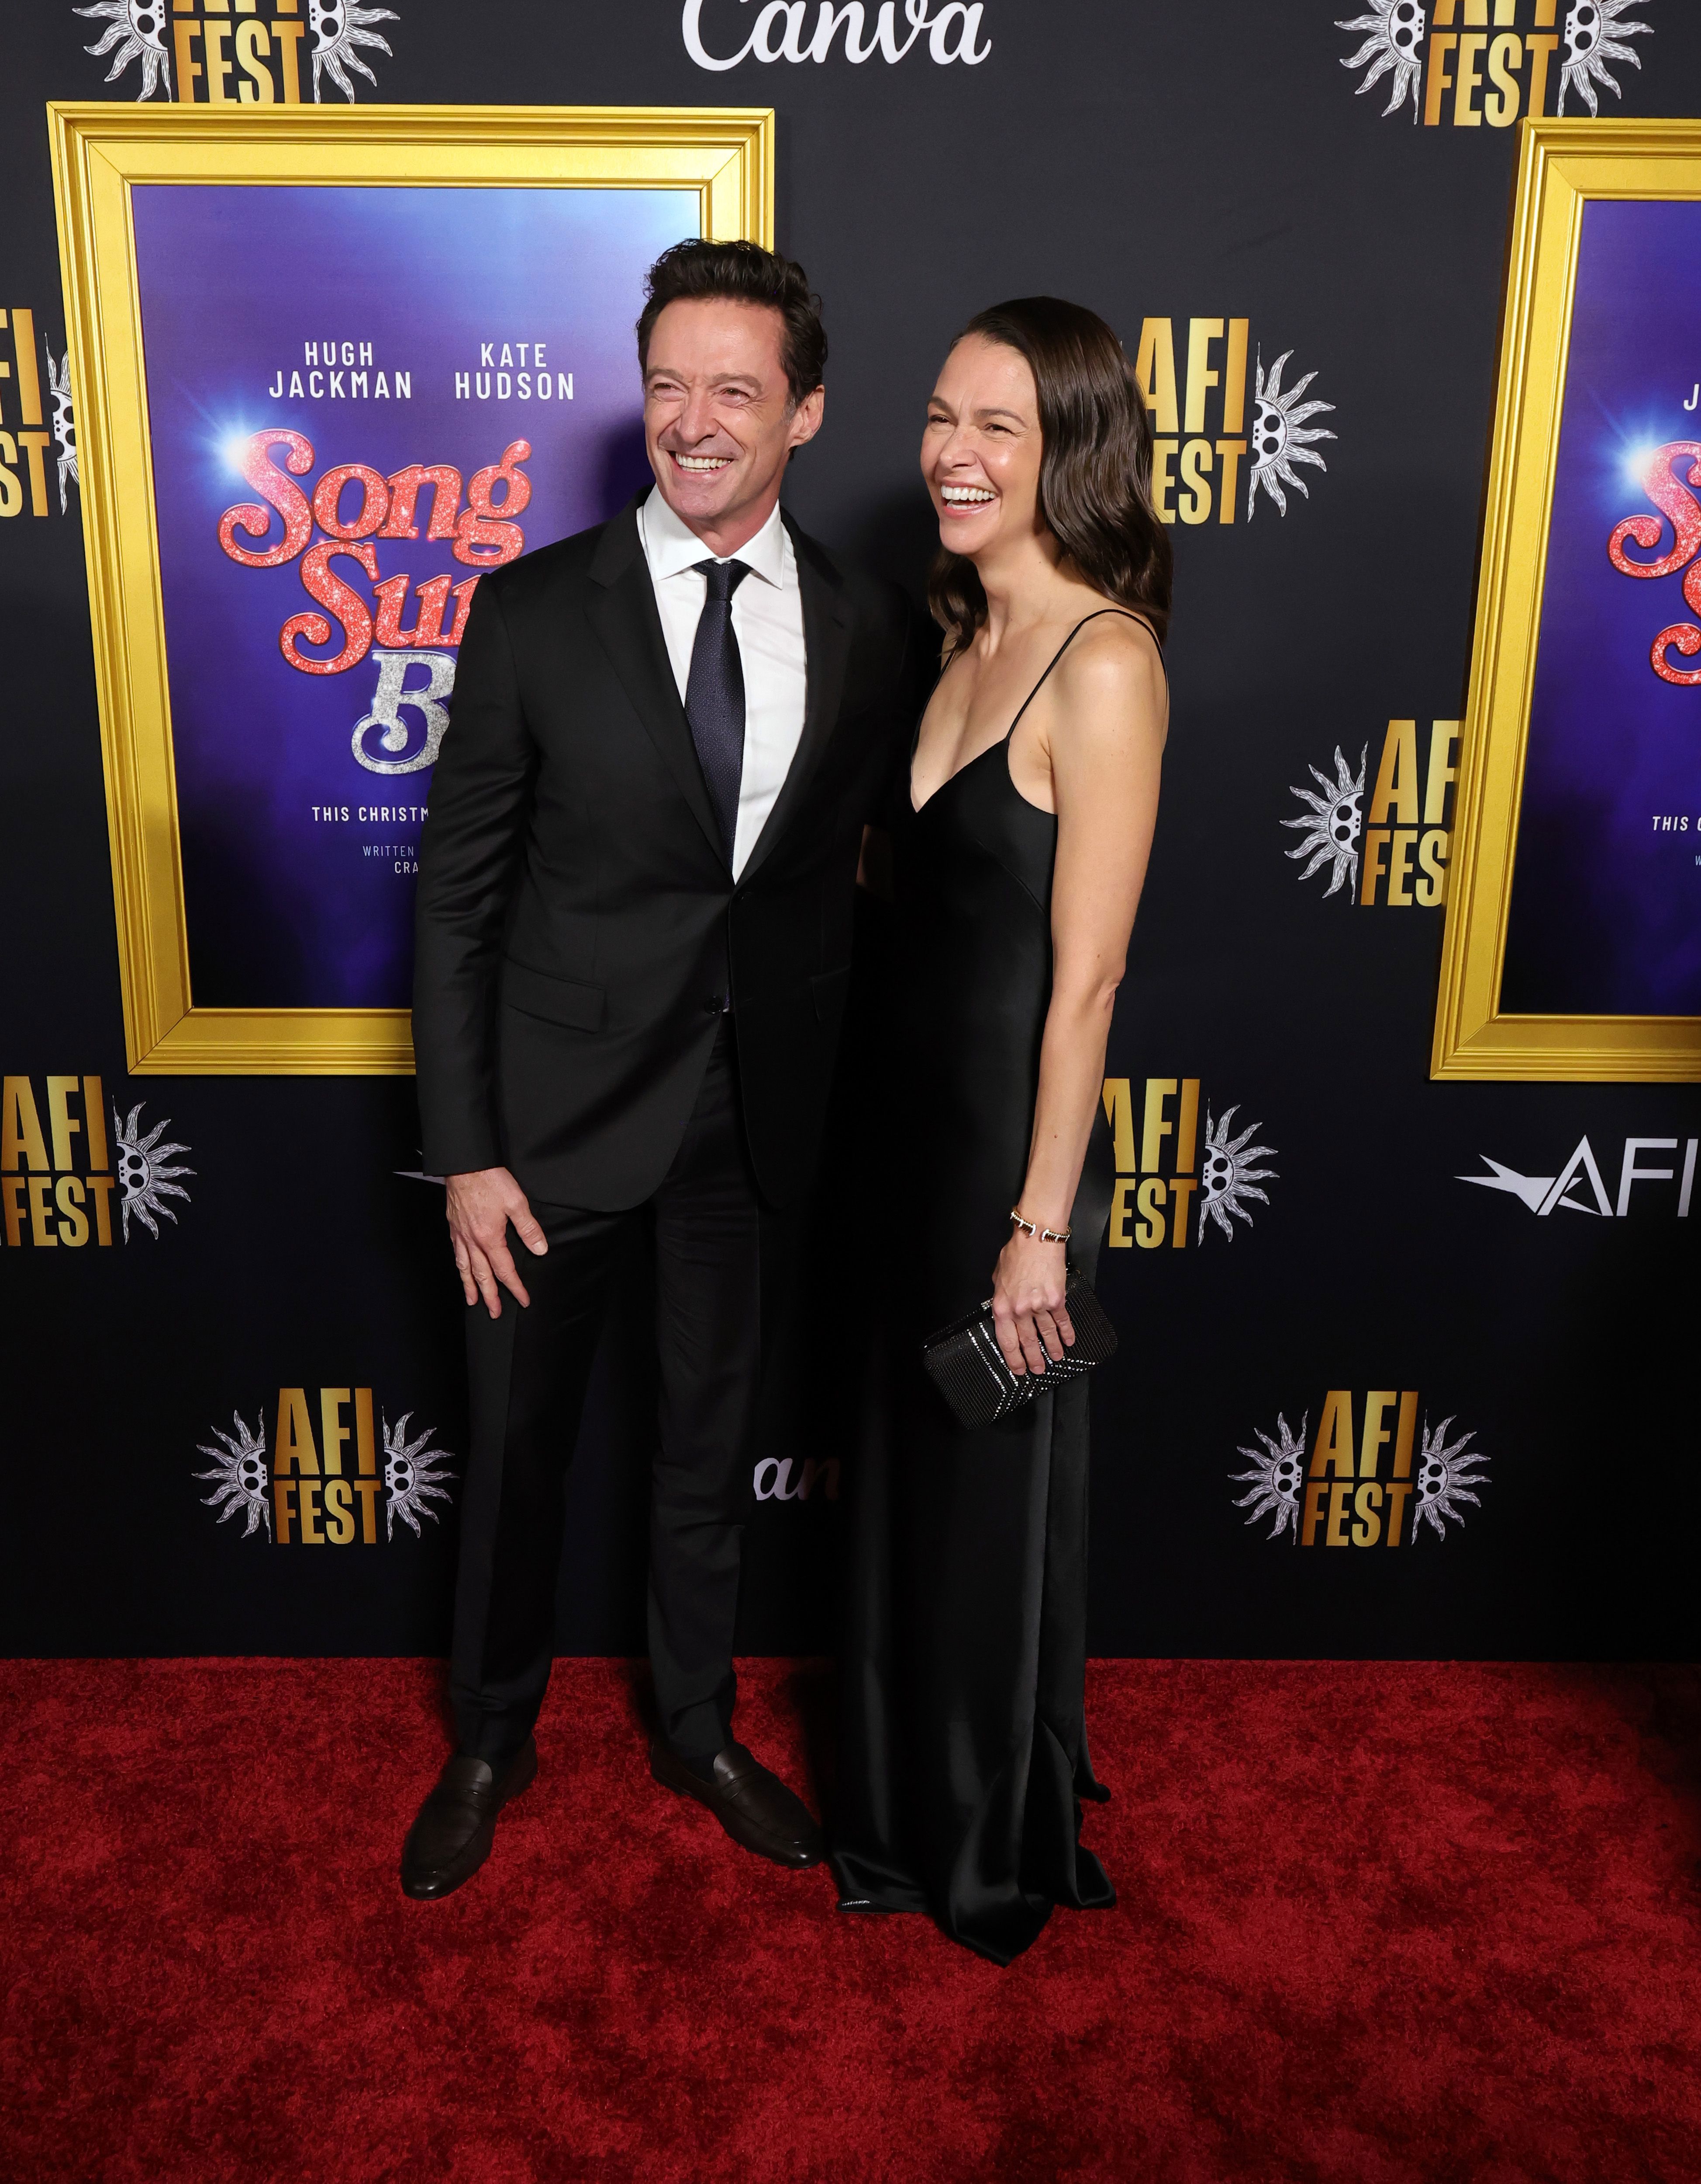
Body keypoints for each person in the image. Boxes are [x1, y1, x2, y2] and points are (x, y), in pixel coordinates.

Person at [401, 239, 921, 1901]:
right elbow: (458, 898)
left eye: (737, 391)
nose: (693, 424)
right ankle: (491, 1736)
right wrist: (468, 1152)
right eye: (670, 385)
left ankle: (694, 1727)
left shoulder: (865, 623)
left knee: (707, 1449)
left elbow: (862, 879)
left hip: (751, 1125)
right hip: (546, 1137)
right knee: (519, 1453)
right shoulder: (530, 609)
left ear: (809, 412)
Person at [831, 297, 1171, 1963]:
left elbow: (1088, 979)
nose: (954, 458)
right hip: (904, 1138)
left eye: (1000, 431)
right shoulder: (956, 635)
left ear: (1071, 453)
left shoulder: (1103, 660)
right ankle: (893, 1806)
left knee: (983, 1503)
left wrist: (1041, 1225)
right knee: (907, 1486)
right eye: (940, 419)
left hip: (1004, 1161)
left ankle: (983, 1841)